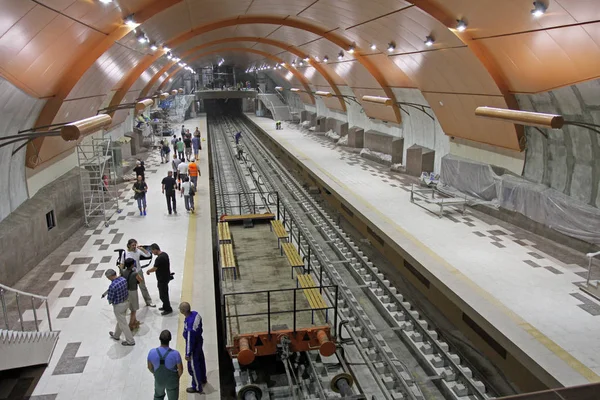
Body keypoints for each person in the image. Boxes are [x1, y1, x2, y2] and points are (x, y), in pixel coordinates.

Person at [179, 302, 207, 394]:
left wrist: (187, 353)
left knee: (194, 367)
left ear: (183, 311)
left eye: (180, 309)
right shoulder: (196, 314)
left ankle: (197, 387)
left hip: (194, 347)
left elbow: (190, 341)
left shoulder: (190, 326)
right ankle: (203, 378)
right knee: (201, 360)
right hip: (199, 342)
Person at [148, 330, 183, 400]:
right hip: (172, 381)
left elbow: (149, 367)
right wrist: (176, 377)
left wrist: (156, 374)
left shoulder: (152, 352)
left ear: (159, 339)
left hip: (159, 380)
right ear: (170, 339)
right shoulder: (175, 354)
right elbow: (181, 370)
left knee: (158, 396)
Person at [104, 269, 135, 346]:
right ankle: (116, 335)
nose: (108, 279)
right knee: (120, 320)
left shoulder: (112, 286)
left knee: (123, 324)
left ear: (111, 276)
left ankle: (130, 341)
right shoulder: (123, 279)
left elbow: (110, 298)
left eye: (108, 277)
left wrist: (110, 301)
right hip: (126, 302)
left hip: (118, 306)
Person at [121, 239, 155, 307]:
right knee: (129, 289)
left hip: (138, 271)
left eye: (135, 245)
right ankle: (129, 304)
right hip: (130, 273)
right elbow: (122, 263)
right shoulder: (125, 253)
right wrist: (122, 273)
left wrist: (142, 249)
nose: (134, 246)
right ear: (129, 245)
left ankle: (148, 301)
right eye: (132, 245)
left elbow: (148, 255)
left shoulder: (138, 251)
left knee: (143, 286)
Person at [146, 243, 173, 315]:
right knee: (164, 293)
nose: (152, 252)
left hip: (162, 279)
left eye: (152, 251)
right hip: (166, 276)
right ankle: (165, 306)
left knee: (163, 295)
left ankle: (168, 309)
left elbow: (155, 268)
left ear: (155, 249)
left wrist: (148, 271)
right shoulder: (165, 254)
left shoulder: (159, 259)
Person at [121, 258, 143, 331]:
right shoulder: (135, 273)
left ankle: (135, 321)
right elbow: (140, 280)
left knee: (131, 306)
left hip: (126, 291)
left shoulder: (123, 272)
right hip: (133, 291)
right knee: (134, 309)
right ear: (132, 265)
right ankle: (131, 325)